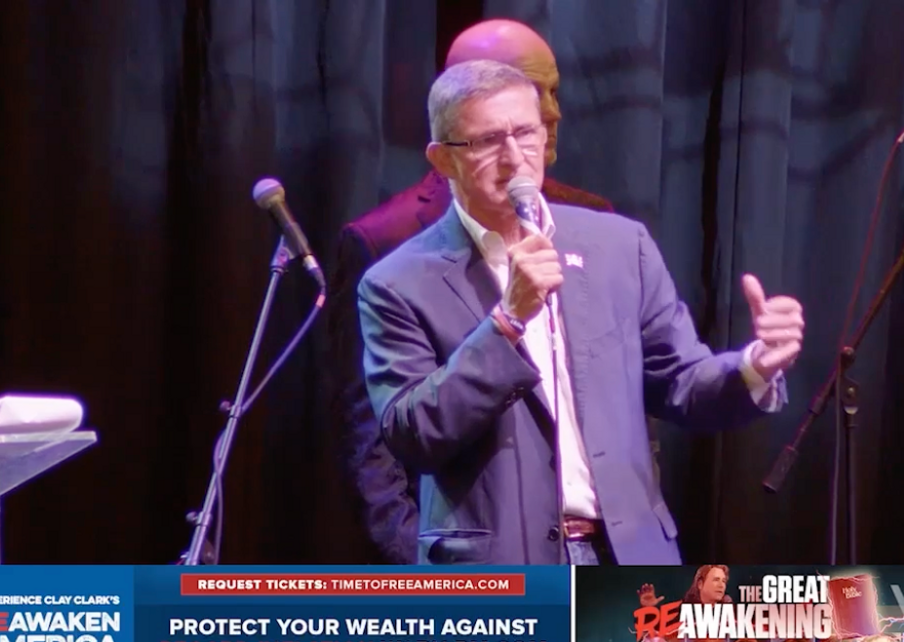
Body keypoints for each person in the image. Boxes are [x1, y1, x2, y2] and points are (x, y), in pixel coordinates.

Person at [356, 59, 805, 565]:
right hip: (501, 568)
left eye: (526, 133)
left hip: (628, 558)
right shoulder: (397, 282)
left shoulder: (618, 245)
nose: (514, 158)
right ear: (443, 159)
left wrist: (754, 366)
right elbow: (413, 434)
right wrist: (506, 322)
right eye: (487, 141)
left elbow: (681, 381)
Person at [327, 19, 615, 564]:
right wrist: (423, 559)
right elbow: (371, 435)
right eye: (534, 89)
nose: (551, 112)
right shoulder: (386, 241)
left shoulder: (594, 223)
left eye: (552, 93)